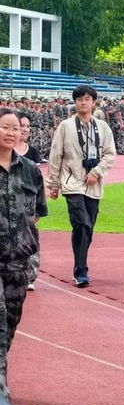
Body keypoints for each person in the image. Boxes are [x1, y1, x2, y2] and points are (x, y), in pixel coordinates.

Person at [46, 85, 116, 288]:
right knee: (81, 224)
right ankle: (81, 270)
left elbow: (110, 154)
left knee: (89, 228)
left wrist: (96, 171)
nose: (83, 102)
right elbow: (55, 154)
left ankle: (81, 262)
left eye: (87, 99)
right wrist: (53, 184)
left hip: (94, 185)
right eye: (79, 99)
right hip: (72, 183)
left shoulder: (102, 127)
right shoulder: (66, 127)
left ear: (94, 102)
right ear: (75, 102)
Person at [0, 108, 47, 399]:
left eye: (15, 128)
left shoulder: (30, 169)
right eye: (5, 127)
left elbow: (38, 213)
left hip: (18, 260)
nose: (10, 133)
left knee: (11, 321)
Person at [14, 113, 44, 291]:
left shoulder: (32, 153)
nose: (24, 129)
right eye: (21, 126)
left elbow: (38, 183)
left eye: (27, 126)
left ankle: (29, 276)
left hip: (27, 207)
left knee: (30, 242)